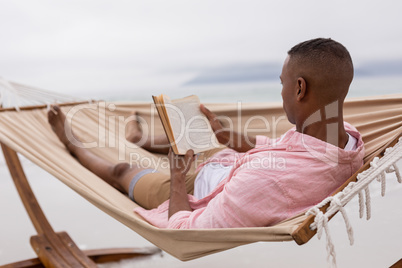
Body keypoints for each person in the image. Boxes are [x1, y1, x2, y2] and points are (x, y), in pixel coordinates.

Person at [48, 38, 365, 229]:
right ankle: (140, 140)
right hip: (231, 165)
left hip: (198, 188)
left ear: (299, 88)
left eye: (282, 82)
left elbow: (184, 228)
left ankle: (71, 144)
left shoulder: (267, 182)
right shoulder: (347, 139)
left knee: (122, 169)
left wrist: (175, 178)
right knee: (191, 142)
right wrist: (233, 139)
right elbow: (283, 148)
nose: (280, 92)